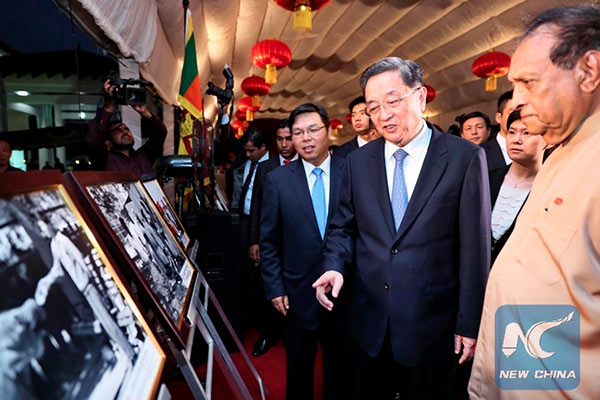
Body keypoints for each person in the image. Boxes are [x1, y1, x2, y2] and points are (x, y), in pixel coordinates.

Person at [313, 57, 491, 399]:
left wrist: (469, 323)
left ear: (420, 97)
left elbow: (475, 248)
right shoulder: (357, 162)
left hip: (432, 325)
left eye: (393, 101)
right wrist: (334, 267)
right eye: (373, 107)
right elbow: (343, 227)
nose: (383, 115)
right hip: (368, 322)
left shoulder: (463, 158)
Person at [469, 6, 600, 399]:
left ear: (589, 72)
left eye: (529, 83)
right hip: (518, 375)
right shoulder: (561, 149)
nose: (517, 102)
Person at [260, 103, 348, 400]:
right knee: (299, 370)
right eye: (298, 132)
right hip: (298, 292)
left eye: (313, 130)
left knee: (342, 368)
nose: (306, 138)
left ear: (328, 131)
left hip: (345, 292)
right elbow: (269, 241)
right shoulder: (278, 180)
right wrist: (275, 288)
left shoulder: (350, 171)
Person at [248, 119, 297, 357]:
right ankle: (267, 334)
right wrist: (254, 240)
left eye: (289, 138)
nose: (285, 144)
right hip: (271, 240)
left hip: (297, 241)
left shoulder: (306, 165)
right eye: (280, 139)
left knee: (294, 289)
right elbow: (256, 204)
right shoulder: (267, 167)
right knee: (265, 288)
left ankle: (291, 335)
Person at [489, 109, 545, 263]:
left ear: (547, 140)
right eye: (512, 132)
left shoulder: (549, 187)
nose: (516, 139)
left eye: (526, 133)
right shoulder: (487, 179)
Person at [86, 79, 167, 176]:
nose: (124, 132)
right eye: (117, 131)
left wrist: (145, 112)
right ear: (108, 142)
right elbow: (93, 141)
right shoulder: (104, 159)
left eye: (126, 129)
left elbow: (160, 133)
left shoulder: (143, 156)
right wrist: (108, 108)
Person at [483, 90, 514, 172]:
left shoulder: (538, 150)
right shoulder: (481, 154)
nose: (518, 117)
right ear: (498, 118)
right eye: (512, 113)